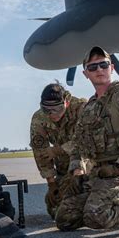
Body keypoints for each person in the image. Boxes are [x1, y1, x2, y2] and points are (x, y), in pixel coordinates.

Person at [56, 46, 119, 231]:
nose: (99, 70)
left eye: (103, 64)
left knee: (97, 218)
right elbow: (78, 142)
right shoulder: (89, 107)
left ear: (112, 68)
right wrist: (77, 170)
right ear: (86, 74)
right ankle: (102, 204)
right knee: (64, 219)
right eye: (93, 67)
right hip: (97, 174)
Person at [30, 82, 87, 219]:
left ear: (66, 102)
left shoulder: (82, 108)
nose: (52, 115)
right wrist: (51, 183)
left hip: (87, 166)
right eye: (47, 110)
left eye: (58, 109)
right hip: (64, 171)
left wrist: (57, 150)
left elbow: (85, 141)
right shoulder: (39, 118)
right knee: (55, 210)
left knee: (81, 210)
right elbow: (40, 152)